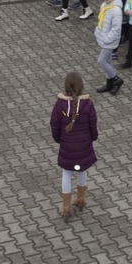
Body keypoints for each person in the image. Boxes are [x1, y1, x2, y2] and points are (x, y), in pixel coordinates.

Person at [50, 72, 98, 221]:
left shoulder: (60, 104)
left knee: (67, 173)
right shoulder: (88, 104)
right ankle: (80, 199)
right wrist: (93, 138)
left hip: (67, 147)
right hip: (84, 147)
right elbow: (93, 125)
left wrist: (59, 140)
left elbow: (54, 125)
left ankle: (66, 207)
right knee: (82, 170)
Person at [94, 0, 124, 95]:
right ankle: (109, 83)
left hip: (109, 41)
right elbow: (101, 21)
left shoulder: (116, 10)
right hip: (103, 38)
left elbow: (116, 29)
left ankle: (116, 80)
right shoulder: (104, 6)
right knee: (108, 61)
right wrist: (98, 32)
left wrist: (107, 39)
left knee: (101, 61)